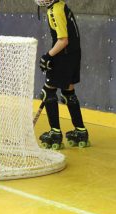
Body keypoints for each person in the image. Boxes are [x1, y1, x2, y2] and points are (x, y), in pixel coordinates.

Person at [34, 0, 89, 149]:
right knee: (68, 92)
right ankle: (80, 131)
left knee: (48, 91)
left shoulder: (54, 11)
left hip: (64, 54)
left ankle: (55, 133)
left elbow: (63, 40)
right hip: (73, 54)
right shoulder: (61, 5)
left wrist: (48, 56)